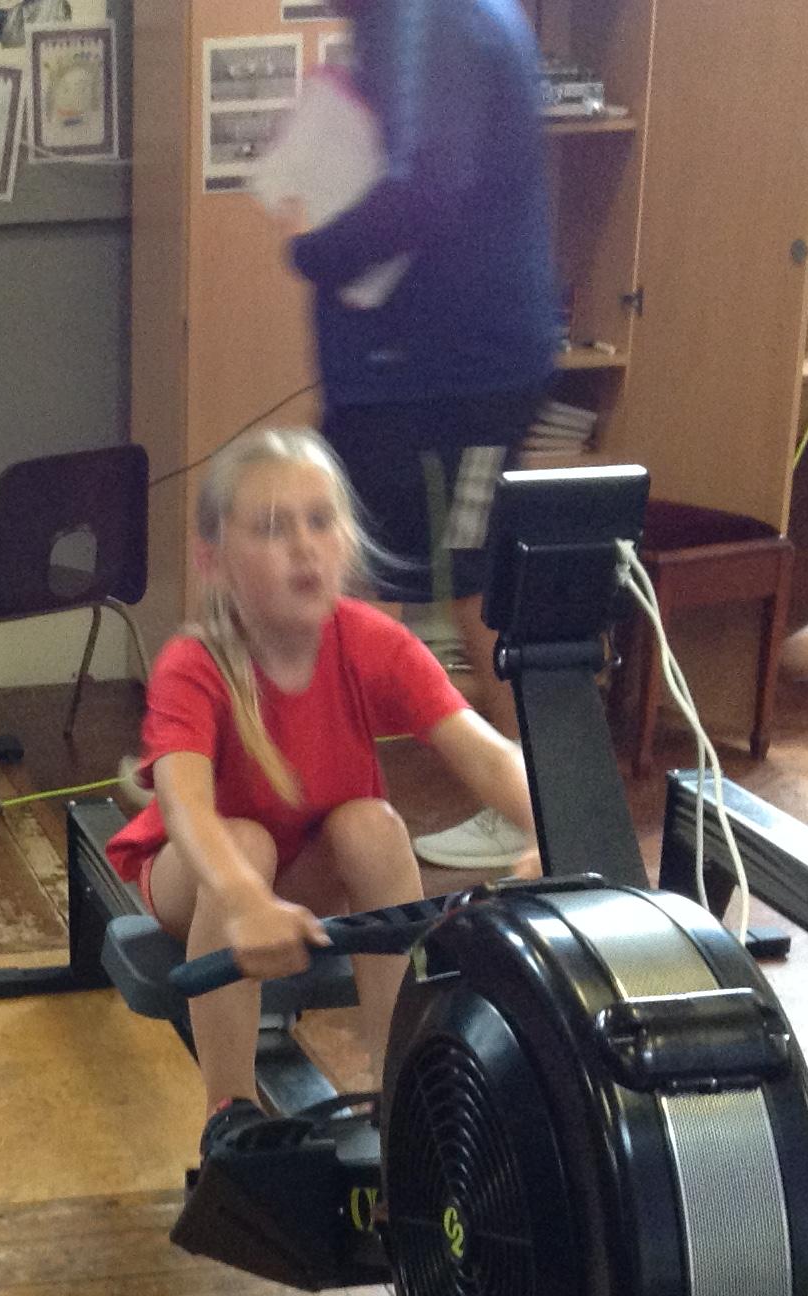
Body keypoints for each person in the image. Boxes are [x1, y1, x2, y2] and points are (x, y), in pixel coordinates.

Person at [105, 428, 536, 1154]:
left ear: (346, 541)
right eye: (273, 529)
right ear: (214, 560)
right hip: (203, 879)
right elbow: (186, 808)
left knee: (374, 825)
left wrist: (550, 828)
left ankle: (403, 1091)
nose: (304, 546)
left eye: (320, 521)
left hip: (308, 872)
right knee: (244, 844)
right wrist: (244, 899)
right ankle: (229, 1110)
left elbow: (487, 755)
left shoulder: (373, 642)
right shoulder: (194, 662)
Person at [276, 0, 558, 874]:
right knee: (358, 573)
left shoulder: (430, 14)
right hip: (408, 370)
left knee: (472, 588)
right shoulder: (423, 17)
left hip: (453, 369)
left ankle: (543, 814)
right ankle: (312, 791)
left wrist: (315, 252)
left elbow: (427, 190)